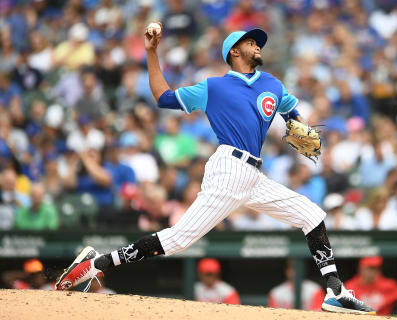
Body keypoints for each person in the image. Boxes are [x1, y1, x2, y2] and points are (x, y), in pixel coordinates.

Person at [55, 26, 374, 315]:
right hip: (229, 168)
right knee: (178, 240)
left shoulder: (272, 84)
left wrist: (298, 126)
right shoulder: (213, 87)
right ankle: (94, 264)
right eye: (250, 42)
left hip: (254, 177)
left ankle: (336, 292)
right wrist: (152, 53)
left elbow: (291, 111)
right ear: (234, 52)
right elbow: (163, 97)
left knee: (312, 215)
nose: (257, 45)